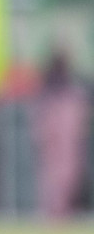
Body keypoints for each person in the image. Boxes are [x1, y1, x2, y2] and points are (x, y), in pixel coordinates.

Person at [33, 48, 88, 221]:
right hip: (61, 118)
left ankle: (59, 210)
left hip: (60, 119)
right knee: (61, 169)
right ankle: (57, 211)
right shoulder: (67, 88)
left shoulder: (65, 86)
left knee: (59, 169)